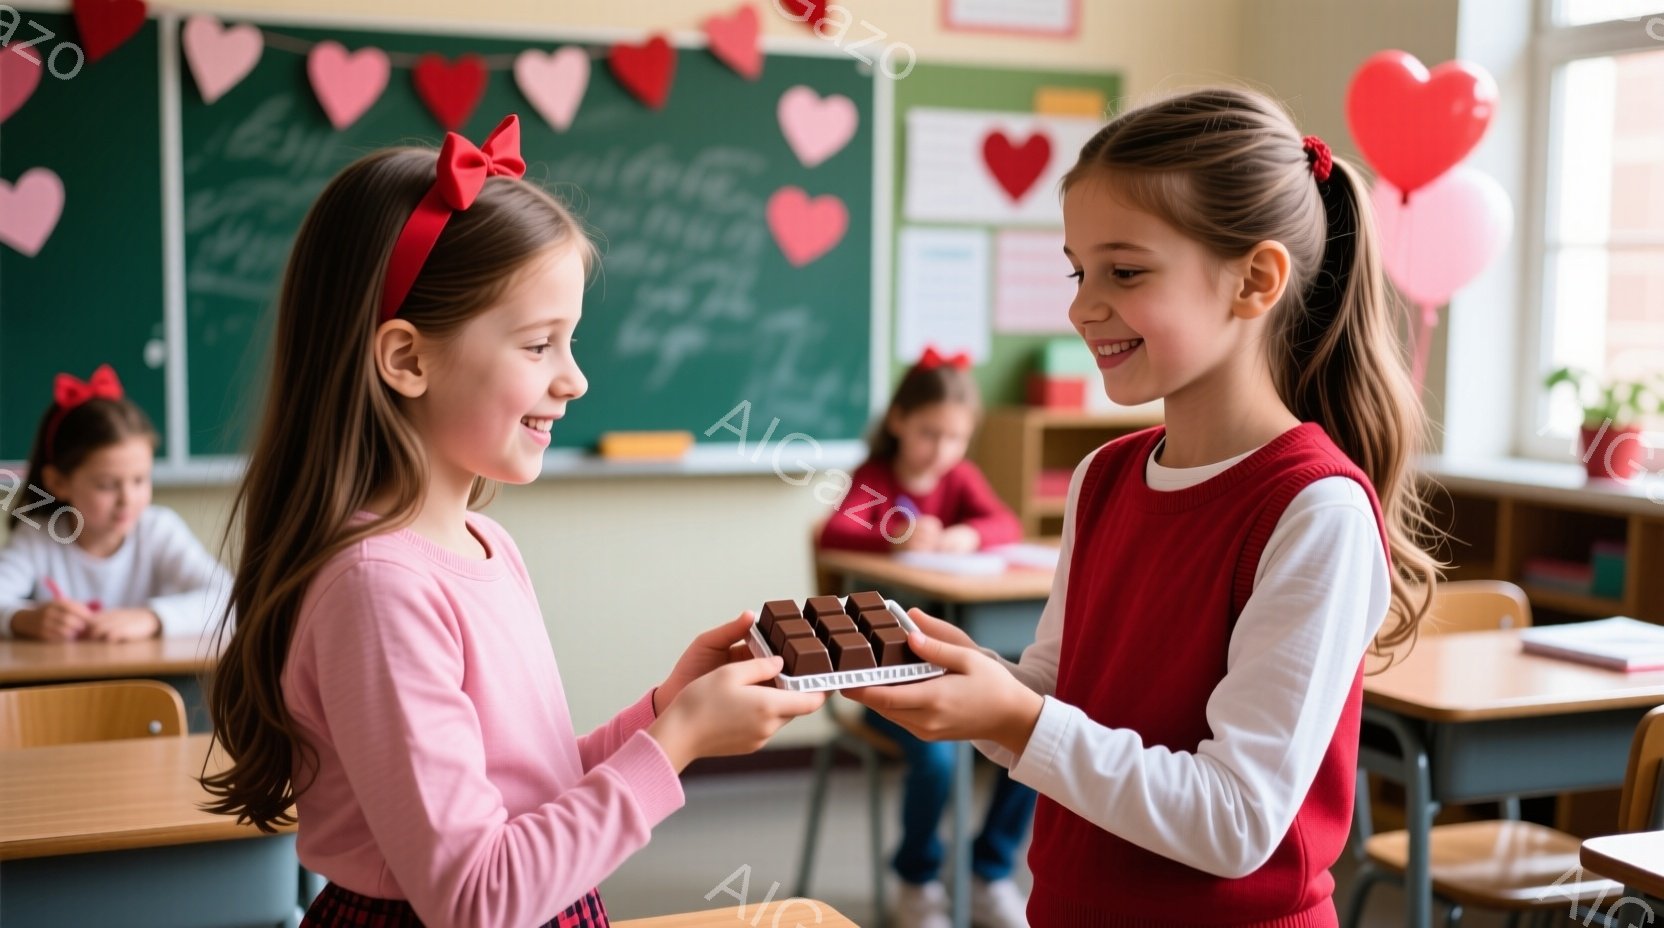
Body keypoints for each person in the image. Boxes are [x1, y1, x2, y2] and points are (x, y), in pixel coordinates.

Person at [201, 115, 825, 928]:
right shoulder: (379, 590)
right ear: (406, 360)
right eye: (539, 346)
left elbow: (533, 796)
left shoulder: (485, 543)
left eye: (570, 342)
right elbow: (475, 898)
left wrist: (671, 709)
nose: (576, 380)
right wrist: (674, 748)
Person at [850, 87, 1441, 926]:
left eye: (1124, 271)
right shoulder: (1104, 476)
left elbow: (1236, 821)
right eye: (1077, 269)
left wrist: (1017, 716)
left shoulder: (1315, 512)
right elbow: (1063, 695)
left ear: (1255, 280)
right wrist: (981, 687)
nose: (1082, 305)